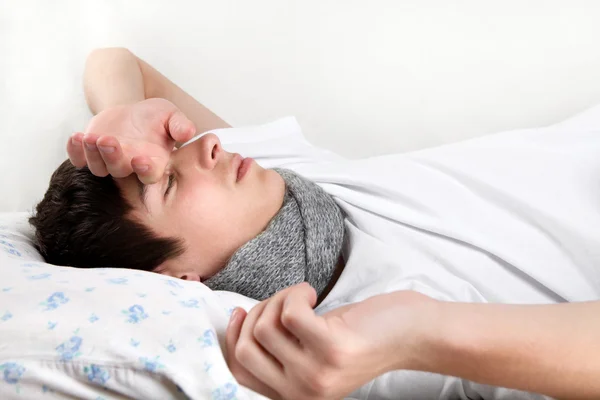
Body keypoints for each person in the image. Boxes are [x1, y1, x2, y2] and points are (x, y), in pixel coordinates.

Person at [29, 47, 600, 400]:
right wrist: (417, 333)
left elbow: (114, 59)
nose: (205, 148)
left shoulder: (283, 186)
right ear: (178, 281)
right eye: (169, 183)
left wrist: (120, 116)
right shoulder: (368, 354)